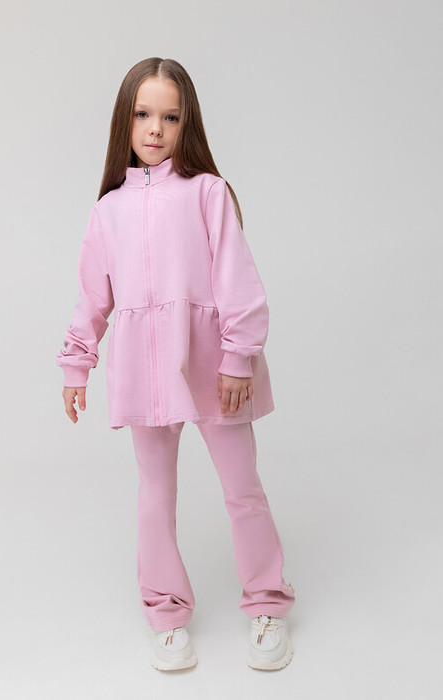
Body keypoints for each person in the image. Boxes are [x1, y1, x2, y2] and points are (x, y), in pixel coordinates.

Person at [55, 57, 296, 671]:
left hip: (216, 365)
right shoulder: (109, 209)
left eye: (170, 116)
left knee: (242, 488)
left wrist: (238, 357)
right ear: (125, 121)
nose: (155, 128)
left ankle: (267, 602)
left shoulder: (207, 192)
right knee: (155, 496)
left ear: (188, 122)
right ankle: (165, 613)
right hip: (145, 367)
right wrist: (77, 364)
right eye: (143, 114)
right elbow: (93, 297)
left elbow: (237, 279)